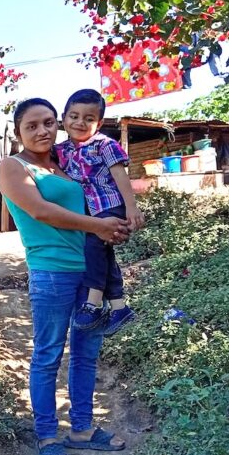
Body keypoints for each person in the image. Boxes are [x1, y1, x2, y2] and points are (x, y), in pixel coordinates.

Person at [0, 98, 129, 455]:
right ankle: (47, 434)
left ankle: (83, 429)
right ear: (18, 131)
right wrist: (98, 227)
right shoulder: (12, 166)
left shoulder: (66, 163)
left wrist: (116, 225)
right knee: (48, 353)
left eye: (49, 123)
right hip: (52, 271)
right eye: (32, 125)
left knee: (87, 353)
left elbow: (103, 194)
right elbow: (40, 211)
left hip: (91, 271)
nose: (42, 131)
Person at [56, 89, 144, 337]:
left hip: (109, 204)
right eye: (74, 116)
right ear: (64, 118)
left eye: (88, 118)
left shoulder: (105, 145)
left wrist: (131, 207)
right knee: (103, 254)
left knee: (93, 245)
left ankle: (93, 302)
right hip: (87, 211)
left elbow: (119, 175)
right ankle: (119, 307)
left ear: (100, 123)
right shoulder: (60, 150)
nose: (80, 122)